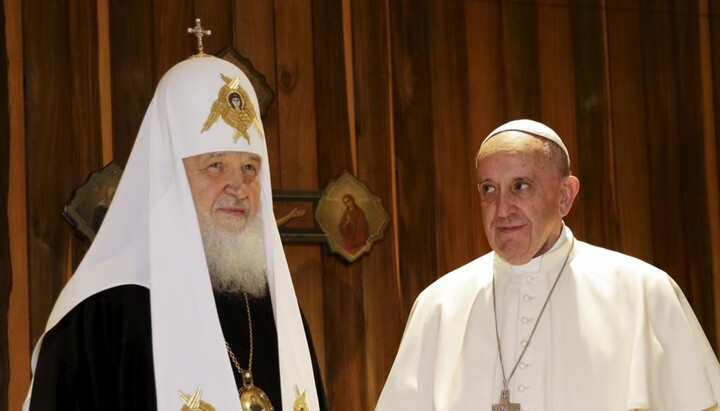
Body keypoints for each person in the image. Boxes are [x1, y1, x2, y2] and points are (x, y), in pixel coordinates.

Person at [24, 33, 327, 411]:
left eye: (250, 168)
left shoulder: (279, 312)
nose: (240, 187)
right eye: (215, 165)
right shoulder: (100, 316)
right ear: (167, 177)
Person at [376, 119, 720, 410]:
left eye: (520, 186)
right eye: (488, 189)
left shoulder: (645, 292)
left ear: (564, 196)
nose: (501, 209)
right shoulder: (438, 304)